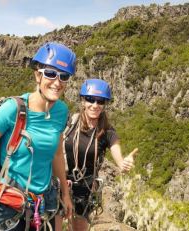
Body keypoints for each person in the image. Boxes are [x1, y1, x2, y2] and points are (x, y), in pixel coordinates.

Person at [0, 42, 76, 231]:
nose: (57, 82)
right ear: (38, 75)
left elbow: (57, 155)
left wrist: (65, 194)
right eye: (50, 74)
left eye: (64, 76)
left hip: (44, 203)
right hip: (8, 207)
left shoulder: (61, 112)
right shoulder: (13, 109)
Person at [54, 78, 136, 231]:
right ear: (83, 101)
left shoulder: (107, 132)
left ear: (105, 105)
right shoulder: (70, 123)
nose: (95, 105)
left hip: (84, 188)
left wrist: (123, 163)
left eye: (100, 101)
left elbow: (116, 152)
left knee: (79, 226)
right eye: (90, 100)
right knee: (55, 226)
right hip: (61, 181)